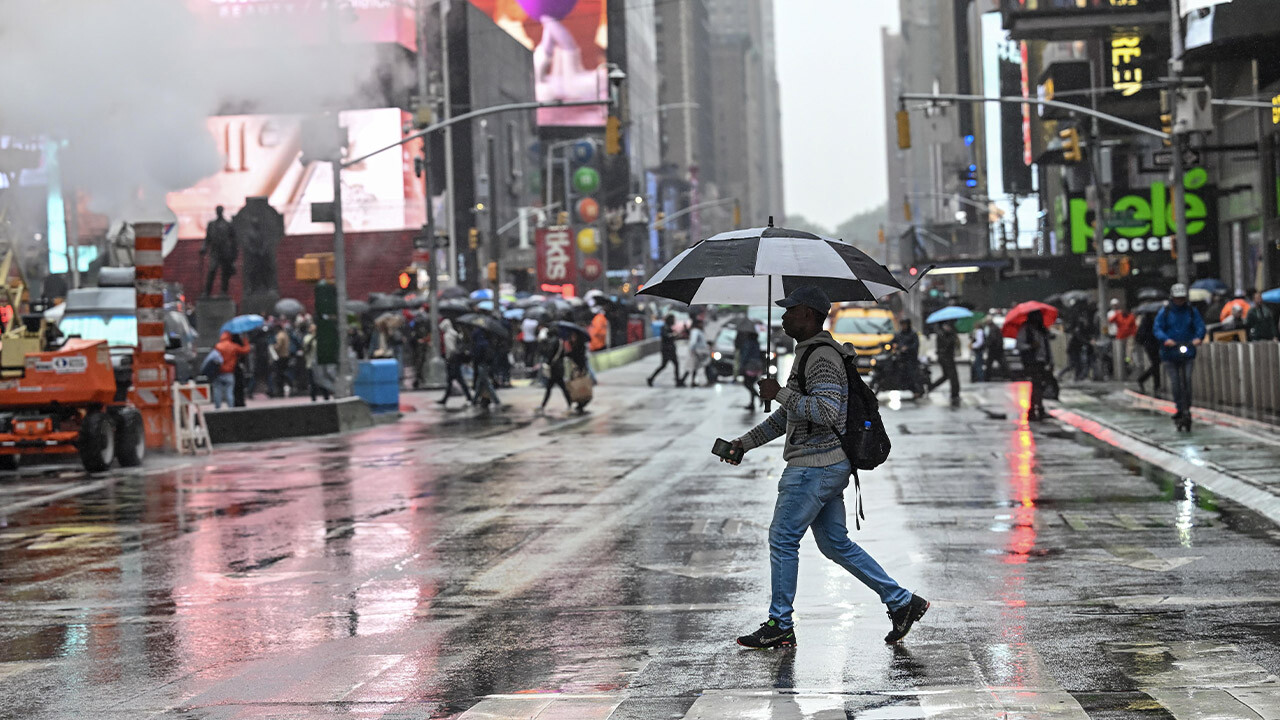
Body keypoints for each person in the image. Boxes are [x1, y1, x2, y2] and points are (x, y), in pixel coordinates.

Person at [723, 285, 927, 650]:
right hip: (825, 465)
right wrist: (744, 444)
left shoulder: (821, 358)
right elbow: (788, 416)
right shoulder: (806, 355)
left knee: (783, 539)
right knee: (835, 544)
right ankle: (901, 601)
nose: (784, 316)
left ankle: (780, 623)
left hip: (815, 467)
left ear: (810, 314)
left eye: (791, 310)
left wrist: (779, 392)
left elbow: (825, 411)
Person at [1154, 283, 1206, 432]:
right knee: (1176, 382)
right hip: (1169, 353)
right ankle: (1179, 407)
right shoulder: (1165, 312)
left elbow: (1200, 326)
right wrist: (1166, 340)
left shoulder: (1191, 311)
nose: (1180, 301)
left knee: (1187, 380)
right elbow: (1157, 328)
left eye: (1182, 298)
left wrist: (1198, 338)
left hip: (1187, 351)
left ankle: (1187, 408)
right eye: (1177, 299)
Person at [1017, 310, 1053, 422]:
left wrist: (1050, 361)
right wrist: (1031, 346)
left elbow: (1048, 347)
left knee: (1039, 386)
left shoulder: (1042, 331)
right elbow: (1020, 345)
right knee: (1036, 385)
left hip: (1042, 361)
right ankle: (1035, 409)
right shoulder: (1025, 329)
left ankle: (1036, 408)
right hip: (1031, 361)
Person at [437, 318, 473, 406]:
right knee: (453, 380)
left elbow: (451, 349)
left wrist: (448, 358)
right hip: (457, 358)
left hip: (452, 359)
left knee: (456, 379)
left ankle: (469, 397)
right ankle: (446, 398)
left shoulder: (447, 335)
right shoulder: (455, 333)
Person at [212, 331, 250, 409]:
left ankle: (217, 408)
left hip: (218, 372)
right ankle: (231, 407)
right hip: (229, 372)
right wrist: (245, 340)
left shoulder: (217, 346)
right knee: (229, 391)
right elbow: (245, 350)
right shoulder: (233, 346)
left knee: (217, 390)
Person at [646, 314, 685, 387]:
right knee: (664, 365)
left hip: (670, 349)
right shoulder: (664, 327)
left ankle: (677, 380)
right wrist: (673, 335)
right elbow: (666, 336)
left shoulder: (668, 327)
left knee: (674, 364)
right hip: (667, 350)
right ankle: (651, 378)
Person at [928, 320, 961, 407]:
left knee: (946, 376)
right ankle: (954, 394)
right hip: (945, 358)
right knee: (952, 376)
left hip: (947, 357)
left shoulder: (945, 333)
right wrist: (952, 336)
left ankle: (931, 387)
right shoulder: (942, 334)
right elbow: (946, 344)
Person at [538, 331, 573, 412]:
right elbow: (563, 354)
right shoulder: (560, 342)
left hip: (554, 369)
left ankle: (543, 405)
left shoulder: (552, 342)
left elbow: (548, 354)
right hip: (560, 367)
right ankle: (569, 403)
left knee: (550, 388)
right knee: (560, 387)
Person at [1134, 309, 1163, 396]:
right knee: (1156, 364)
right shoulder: (1146, 321)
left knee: (1156, 364)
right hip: (1150, 345)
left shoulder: (1158, 319)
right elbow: (1143, 334)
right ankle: (1153, 384)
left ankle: (1149, 382)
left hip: (1156, 344)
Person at [470, 326, 500, 409]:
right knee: (480, 384)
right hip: (486, 364)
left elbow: (477, 356)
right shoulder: (486, 342)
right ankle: (474, 400)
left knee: (486, 383)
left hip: (482, 365)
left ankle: (496, 400)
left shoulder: (479, 344)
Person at [1107, 299, 1137, 379]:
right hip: (1120, 337)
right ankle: (1121, 366)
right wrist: (1117, 314)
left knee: (1128, 351)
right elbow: (1110, 320)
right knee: (1120, 352)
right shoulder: (1117, 315)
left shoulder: (1131, 316)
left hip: (1129, 337)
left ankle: (1128, 362)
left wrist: (1133, 335)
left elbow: (1134, 327)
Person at [890, 319, 921, 393]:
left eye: (905, 324)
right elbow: (892, 341)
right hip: (900, 357)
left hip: (910, 358)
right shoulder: (899, 334)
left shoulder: (913, 334)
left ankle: (915, 390)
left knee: (911, 374)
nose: (903, 326)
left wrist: (907, 348)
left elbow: (915, 345)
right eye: (902, 325)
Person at [303, 323, 331, 401]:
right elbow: (306, 348)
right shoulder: (307, 338)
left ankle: (326, 399)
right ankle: (313, 400)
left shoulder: (321, 337)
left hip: (321, 365)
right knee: (313, 384)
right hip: (311, 364)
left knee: (323, 384)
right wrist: (314, 337)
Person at [739, 326, 765, 410]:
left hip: (750, 365)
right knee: (750, 383)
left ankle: (758, 398)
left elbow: (745, 355)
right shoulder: (756, 342)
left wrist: (742, 365)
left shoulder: (748, 343)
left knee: (747, 384)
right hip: (757, 365)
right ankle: (752, 403)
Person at [687, 318, 711, 387]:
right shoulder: (695, 331)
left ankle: (692, 380)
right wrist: (692, 350)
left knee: (696, 366)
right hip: (698, 352)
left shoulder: (699, 331)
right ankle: (692, 381)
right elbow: (693, 342)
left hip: (701, 351)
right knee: (695, 366)